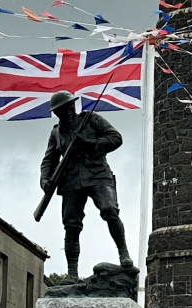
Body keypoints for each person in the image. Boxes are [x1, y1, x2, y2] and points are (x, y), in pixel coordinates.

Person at [38, 89, 133, 280]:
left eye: (69, 107)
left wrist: (90, 143)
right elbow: (49, 160)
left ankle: (123, 253)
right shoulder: (56, 133)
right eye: (62, 110)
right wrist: (44, 179)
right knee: (71, 225)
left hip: (98, 175)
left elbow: (116, 138)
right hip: (71, 180)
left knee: (109, 209)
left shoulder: (91, 120)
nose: (67, 112)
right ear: (56, 113)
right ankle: (72, 273)